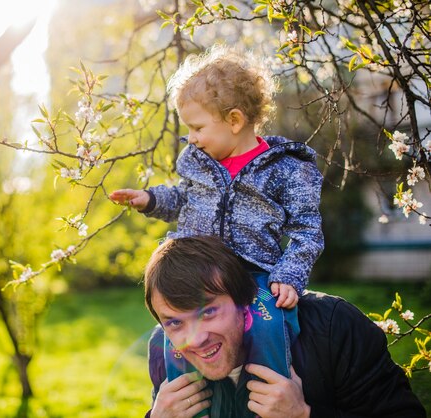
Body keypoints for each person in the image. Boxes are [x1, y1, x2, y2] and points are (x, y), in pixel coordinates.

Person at [110, 44, 323, 399]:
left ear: (235, 120)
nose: (190, 138)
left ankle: (264, 398)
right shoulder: (197, 161)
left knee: (269, 326)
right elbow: (182, 197)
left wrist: (288, 275)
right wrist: (150, 200)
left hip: (252, 274)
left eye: (196, 127)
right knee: (175, 337)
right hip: (195, 270)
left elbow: (307, 231)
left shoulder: (286, 169)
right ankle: (186, 400)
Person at [143, 236, 426, 418]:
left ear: (244, 300)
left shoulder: (332, 327)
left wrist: (304, 414)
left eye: (208, 312)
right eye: (176, 322)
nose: (196, 339)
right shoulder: (164, 353)